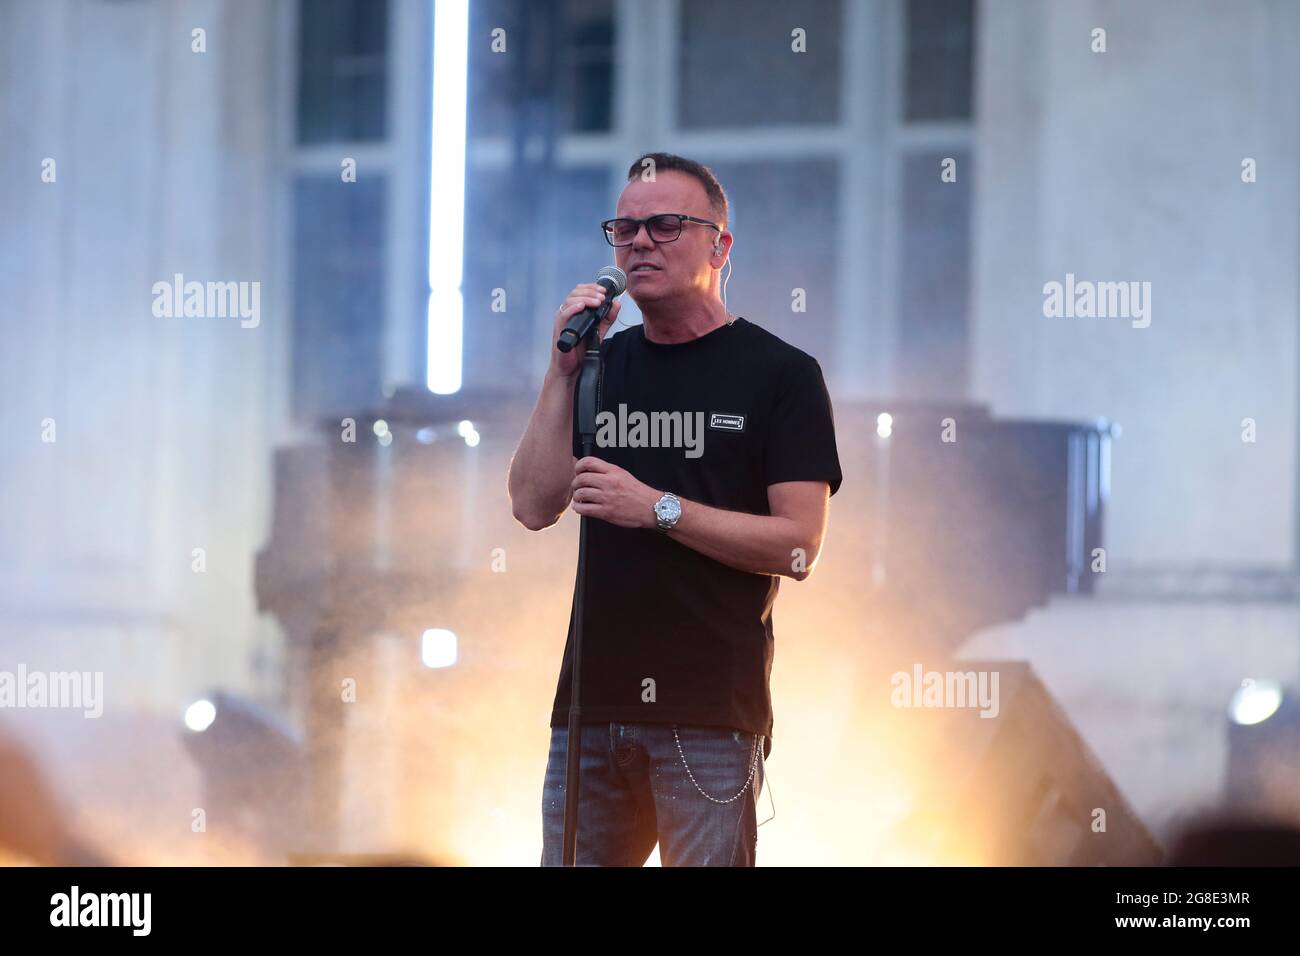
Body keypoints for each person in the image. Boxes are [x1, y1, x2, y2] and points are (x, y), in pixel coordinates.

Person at [508, 152, 843, 866]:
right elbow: (533, 505)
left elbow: (798, 547)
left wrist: (657, 508)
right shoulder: (601, 365)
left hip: (707, 716)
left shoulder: (779, 375)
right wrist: (561, 371)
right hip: (588, 711)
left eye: (664, 225)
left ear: (720, 245)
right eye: (623, 229)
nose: (639, 243)